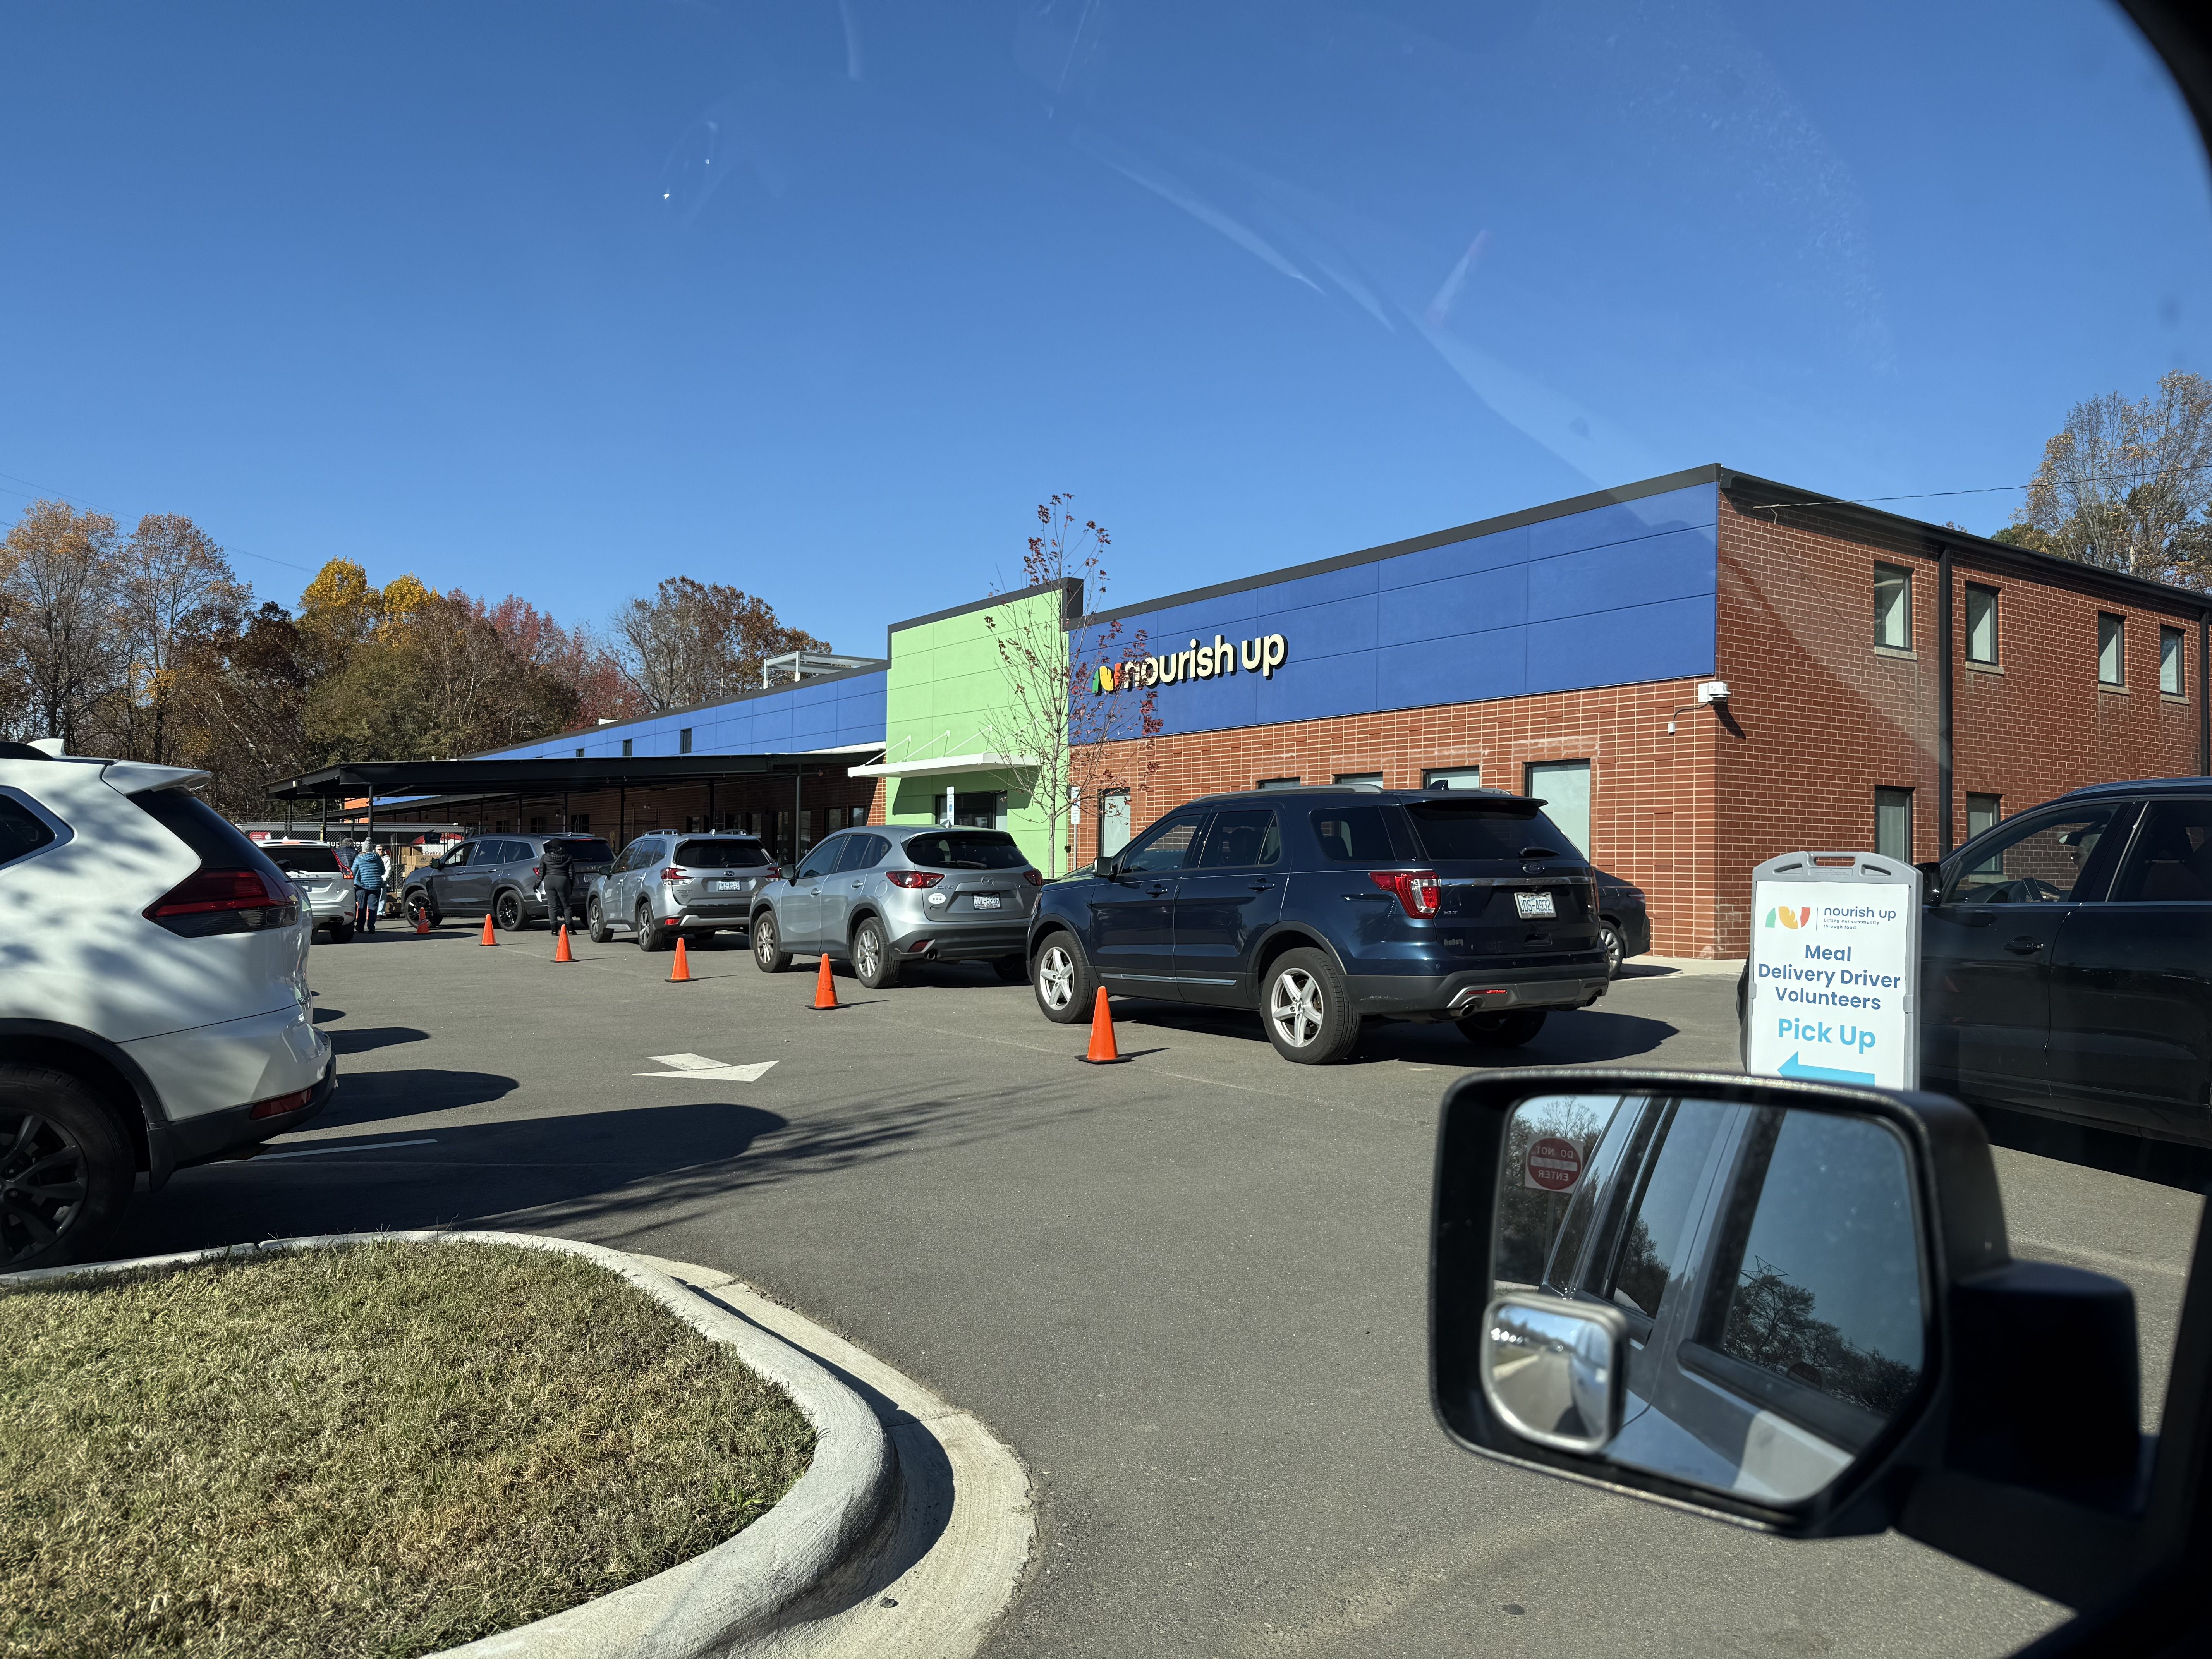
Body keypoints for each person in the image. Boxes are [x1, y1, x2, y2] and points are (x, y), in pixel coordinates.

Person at [541, 836, 580, 933]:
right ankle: (570, 929)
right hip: (563, 880)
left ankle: (554, 929)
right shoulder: (568, 857)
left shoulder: (545, 857)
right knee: (566, 906)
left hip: (549, 880)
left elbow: (542, 872)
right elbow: (572, 873)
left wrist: (537, 885)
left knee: (552, 906)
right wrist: (571, 885)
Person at [350, 842, 387, 933]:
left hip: (362, 886)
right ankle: (371, 927)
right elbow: (383, 871)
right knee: (373, 907)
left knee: (362, 907)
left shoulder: (359, 858)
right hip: (376, 886)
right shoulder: (378, 857)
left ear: (363, 849)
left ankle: (360, 927)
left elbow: (353, 872)